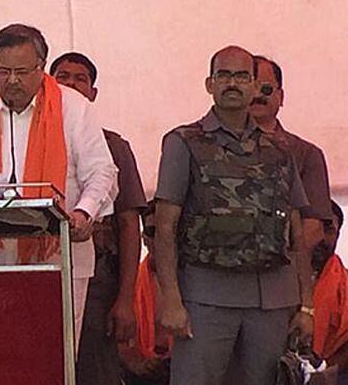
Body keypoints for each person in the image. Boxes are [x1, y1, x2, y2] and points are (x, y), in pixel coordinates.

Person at [0, 24, 117, 346]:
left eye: (21, 72)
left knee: (52, 356)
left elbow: (102, 172)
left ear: (41, 67)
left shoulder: (73, 107)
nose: (12, 80)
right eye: (3, 71)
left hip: (59, 256)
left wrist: (83, 213)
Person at [153, 45, 312, 385]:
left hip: (272, 299)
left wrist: (307, 306)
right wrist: (171, 300)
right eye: (223, 75)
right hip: (205, 297)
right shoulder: (184, 142)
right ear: (209, 84)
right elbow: (165, 226)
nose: (232, 83)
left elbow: (296, 231)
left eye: (241, 76)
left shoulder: (281, 149)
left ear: (256, 86)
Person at [50, 52, 147, 384]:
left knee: (93, 371)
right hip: (39, 274)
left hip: (97, 282)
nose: (71, 84)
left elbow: (129, 224)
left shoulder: (113, 146)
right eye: (63, 77)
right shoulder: (27, 140)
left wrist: (125, 299)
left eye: (81, 79)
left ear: (93, 93)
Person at [250, 56, 333, 249]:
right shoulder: (206, 146)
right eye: (251, 87)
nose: (258, 95)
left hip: (282, 263)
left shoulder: (306, 155)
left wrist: (287, 263)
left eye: (266, 89)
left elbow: (313, 227)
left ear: (281, 97)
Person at [119, 200, 171, 385]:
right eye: (152, 231)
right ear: (144, 238)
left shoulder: (197, 284)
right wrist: (134, 362)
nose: (160, 238)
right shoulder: (127, 284)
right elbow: (115, 337)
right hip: (140, 375)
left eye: (168, 229)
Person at [310, 200, 348, 382]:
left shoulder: (344, 283)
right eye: (315, 228)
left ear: (338, 234)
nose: (321, 238)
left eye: (328, 229)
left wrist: (325, 373)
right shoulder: (274, 282)